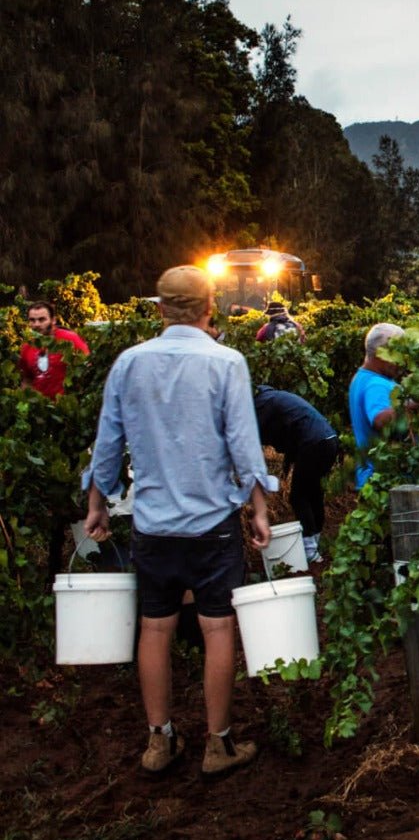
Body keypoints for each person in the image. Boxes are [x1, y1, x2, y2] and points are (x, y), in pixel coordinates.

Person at [83, 266, 276, 778]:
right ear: (209, 307)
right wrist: (257, 506)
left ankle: (160, 741)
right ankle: (219, 745)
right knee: (217, 630)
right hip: (211, 525)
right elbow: (242, 442)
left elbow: (108, 441)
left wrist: (98, 502)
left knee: (154, 628)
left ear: (160, 309)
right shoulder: (226, 362)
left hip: (152, 526)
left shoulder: (129, 363)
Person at [254, 385, 339, 563]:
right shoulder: (276, 398)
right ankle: (315, 545)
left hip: (314, 442)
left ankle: (310, 552)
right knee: (314, 493)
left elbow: (251, 439)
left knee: (298, 497)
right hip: (329, 439)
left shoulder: (261, 405)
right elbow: (292, 430)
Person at [348, 322, 419, 487]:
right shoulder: (376, 384)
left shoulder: (362, 378)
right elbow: (380, 419)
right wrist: (416, 403)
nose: (401, 362)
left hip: (380, 481)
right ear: (381, 353)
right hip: (384, 482)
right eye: (397, 355)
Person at [18, 300, 89, 398]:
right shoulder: (27, 347)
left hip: (67, 406)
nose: (36, 324)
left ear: (53, 320)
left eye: (42, 319)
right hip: (40, 408)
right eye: (32, 320)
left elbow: (88, 369)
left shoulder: (71, 339)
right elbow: (27, 380)